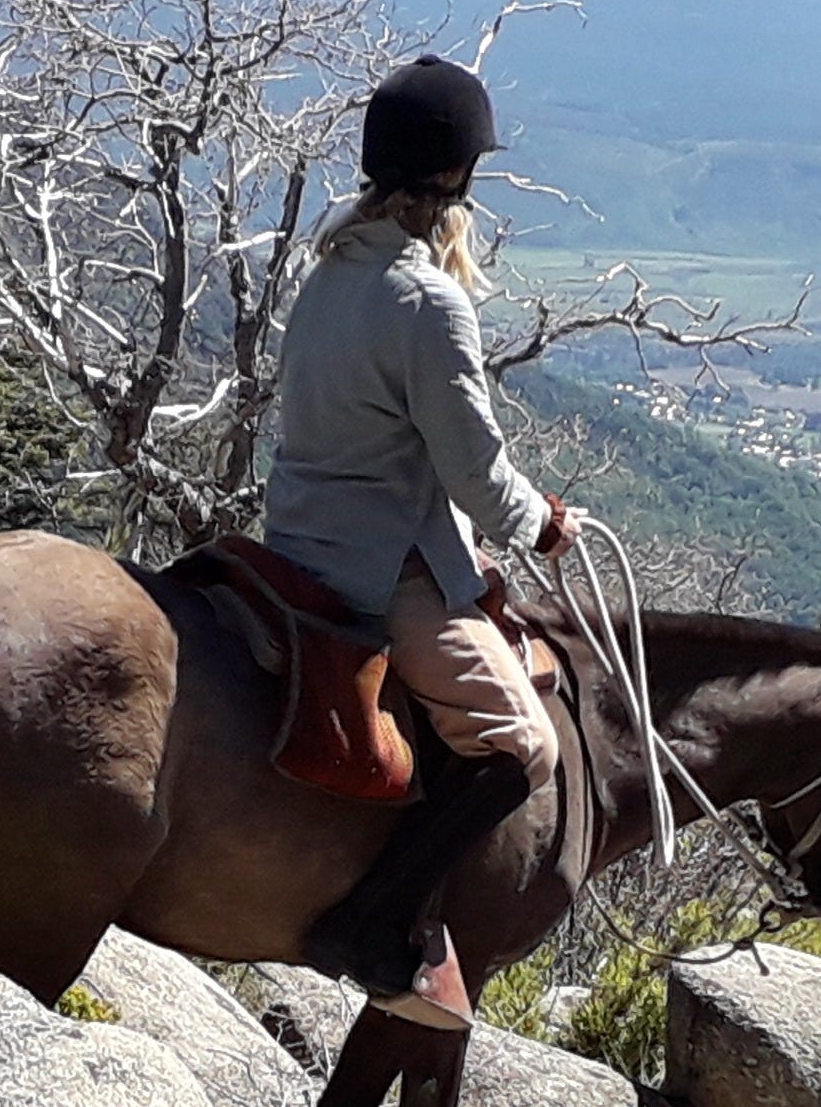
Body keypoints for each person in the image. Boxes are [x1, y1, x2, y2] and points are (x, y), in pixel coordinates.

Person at [263, 53, 586, 1015]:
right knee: (523, 742)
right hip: (379, 566)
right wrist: (543, 525)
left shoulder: (325, 274)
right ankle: (376, 915)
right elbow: (478, 475)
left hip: (296, 539)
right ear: (460, 179)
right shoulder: (426, 299)